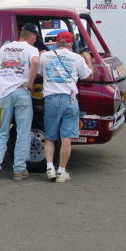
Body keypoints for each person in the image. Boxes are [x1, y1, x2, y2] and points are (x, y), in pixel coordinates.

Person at [0, 23, 40, 181]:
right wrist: (29, 83)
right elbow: (36, 62)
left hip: (5, 94)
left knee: (2, 133)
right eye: (35, 37)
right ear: (30, 36)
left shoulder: (5, 48)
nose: (36, 40)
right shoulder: (31, 49)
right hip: (21, 92)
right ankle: (18, 170)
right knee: (23, 133)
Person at [38, 31, 93, 183]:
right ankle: (61, 171)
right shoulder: (76, 58)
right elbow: (89, 76)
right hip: (70, 99)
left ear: (56, 43)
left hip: (51, 99)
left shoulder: (45, 56)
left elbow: (38, 72)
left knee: (50, 137)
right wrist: (87, 58)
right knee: (66, 138)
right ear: (71, 44)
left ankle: (50, 168)